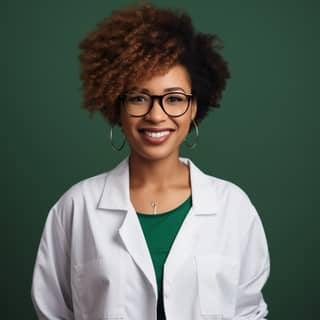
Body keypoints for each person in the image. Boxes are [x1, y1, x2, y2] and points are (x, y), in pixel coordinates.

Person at [31, 3, 270, 320]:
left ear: (194, 107)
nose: (156, 116)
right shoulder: (76, 208)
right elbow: (53, 313)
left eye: (174, 98)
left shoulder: (233, 208)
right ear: (117, 106)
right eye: (139, 98)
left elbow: (248, 312)